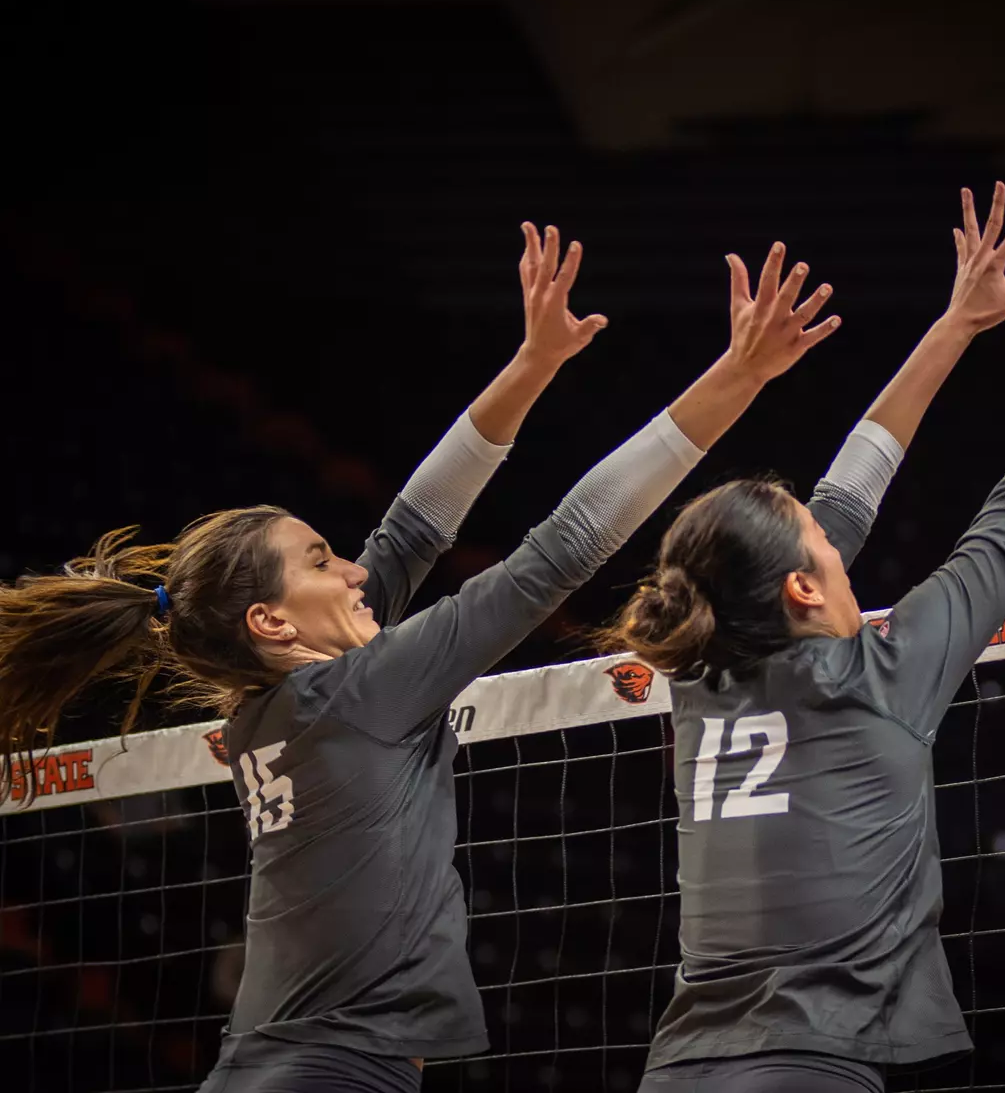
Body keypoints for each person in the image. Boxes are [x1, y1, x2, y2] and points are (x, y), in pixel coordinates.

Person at [0, 225, 841, 1091]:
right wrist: (739, 377)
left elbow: (410, 531)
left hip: (272, 1063)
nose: (356, 569)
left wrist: (535, 361)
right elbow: (565, 548)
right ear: (273, 622)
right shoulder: (363, 688)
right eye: (323, 560)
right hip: (329, 1073)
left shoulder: (273, 707)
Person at [601, 176, 1005, 1093]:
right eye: (823, 541)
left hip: (679, 1067)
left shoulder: (701, 673)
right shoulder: (881, 675)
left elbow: (849, 496)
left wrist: (957, 325)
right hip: (811, 1070)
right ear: (804, 587)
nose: (841, 538)